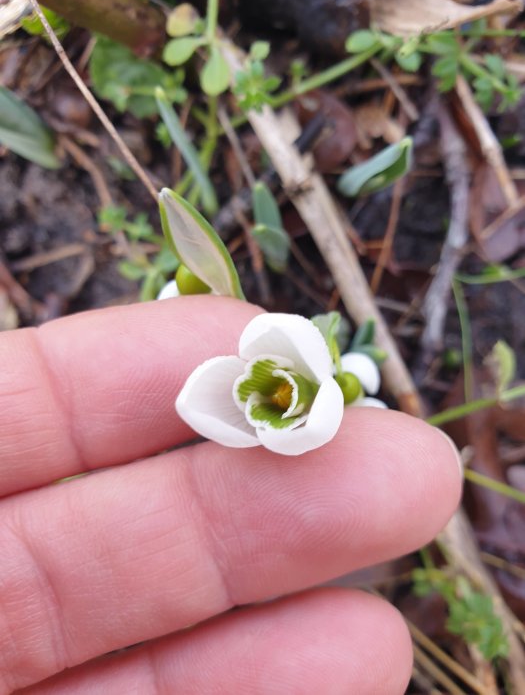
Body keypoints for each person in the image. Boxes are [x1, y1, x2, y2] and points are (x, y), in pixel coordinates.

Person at [0, 296, 462, 694]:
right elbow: (196, 402)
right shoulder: (242, 396)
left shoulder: (300, 369)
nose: (284, 393)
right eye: (281, 394)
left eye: (286, 394)